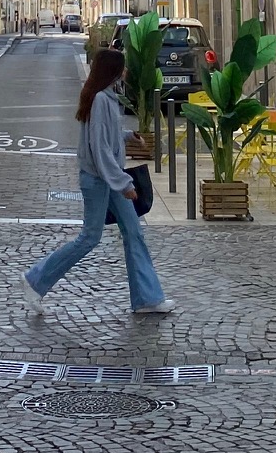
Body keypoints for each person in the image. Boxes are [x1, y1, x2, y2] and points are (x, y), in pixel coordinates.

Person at [20, 46, 173, 317]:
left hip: (108, 178)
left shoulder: (104, 96)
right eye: (122, 67)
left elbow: (105, 135)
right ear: (112, 71)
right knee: (89, 238)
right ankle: (35, 280)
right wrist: (124, 184)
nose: (125, 72)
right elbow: (100, 148)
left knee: (134, 232)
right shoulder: (101, 99)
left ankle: (147, 298)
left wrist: (127, 136)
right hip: (100, 180)